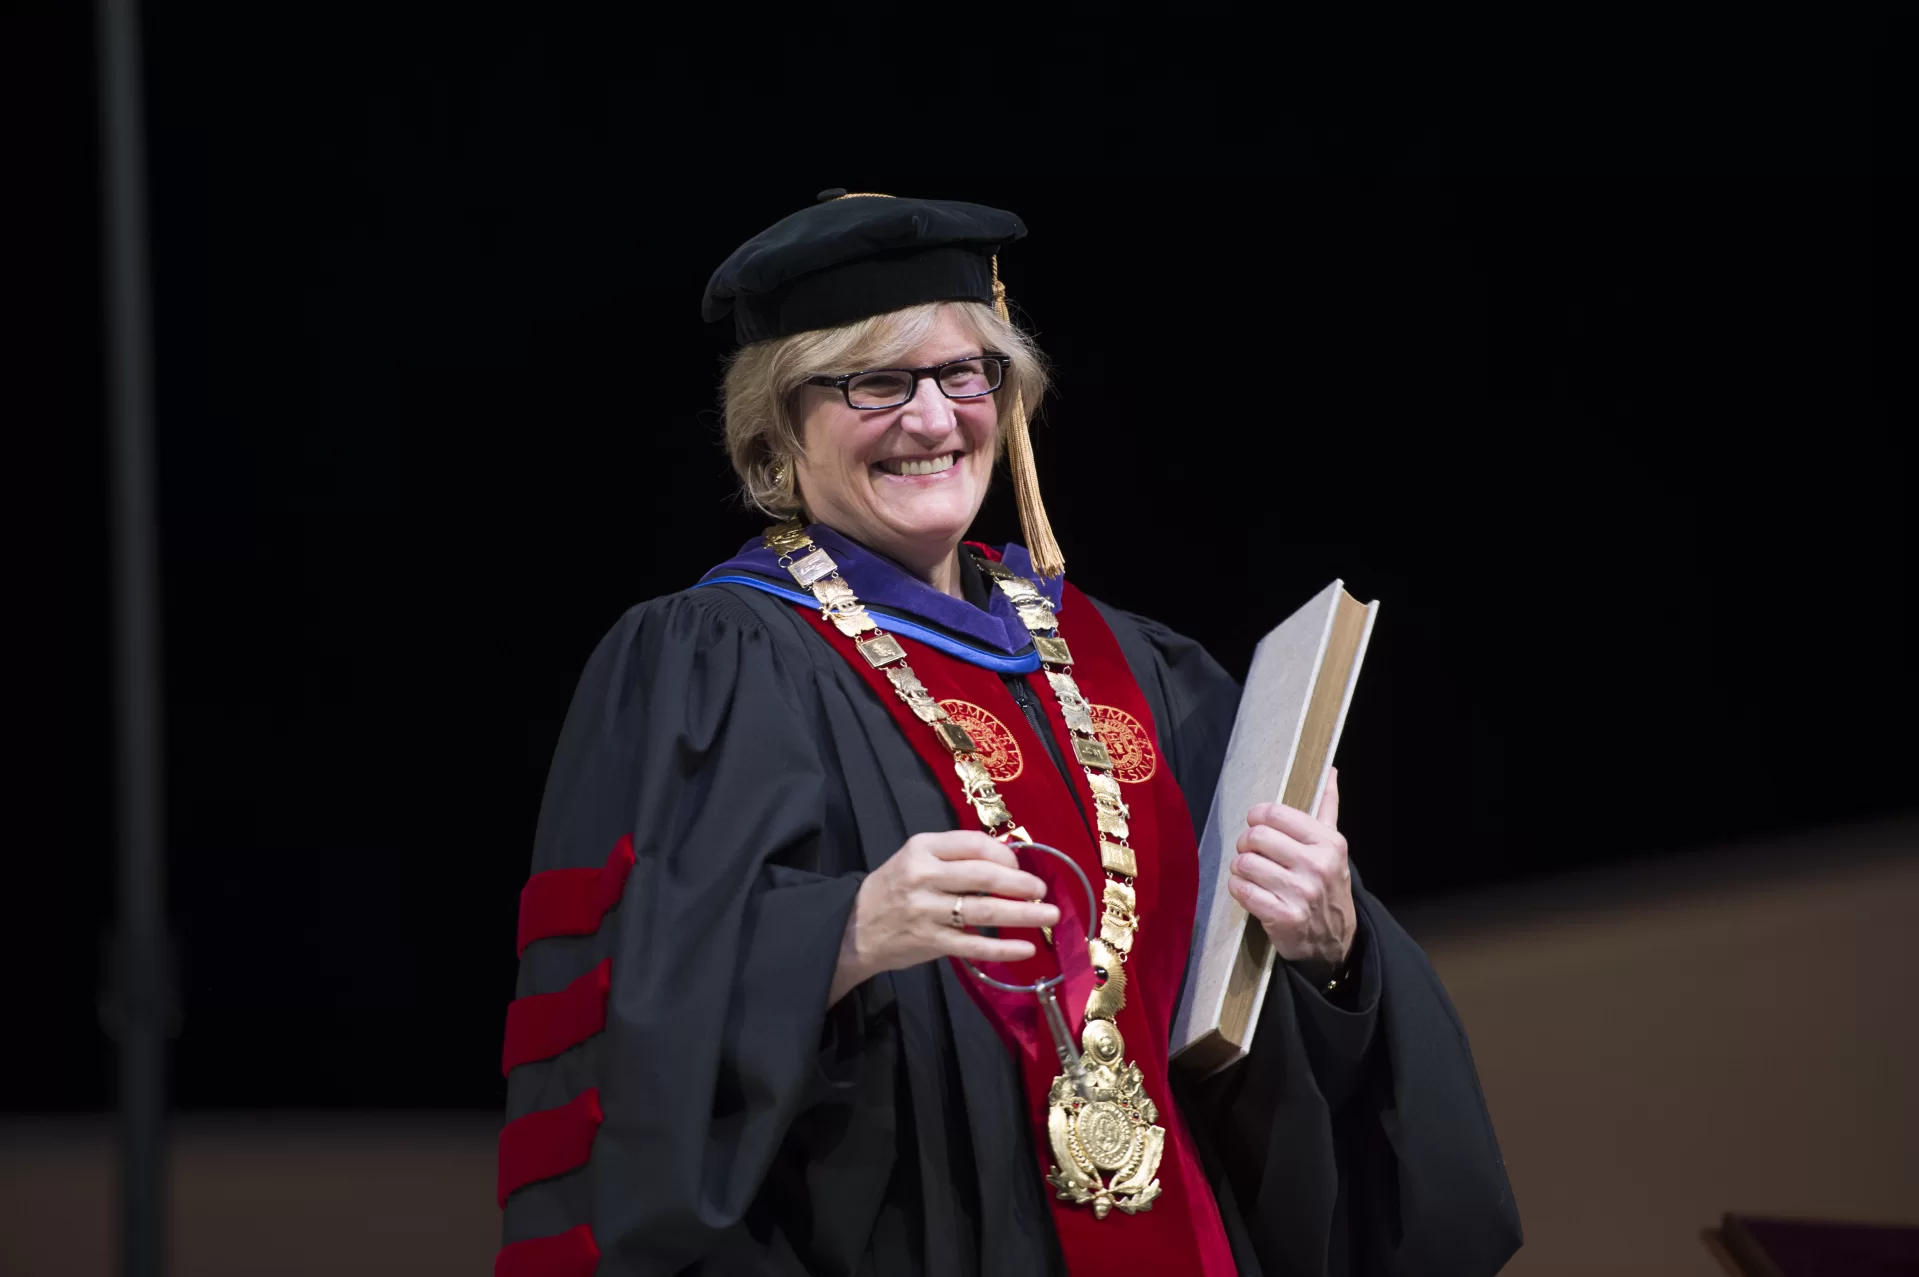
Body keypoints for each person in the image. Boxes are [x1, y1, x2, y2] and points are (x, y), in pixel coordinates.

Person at [495, 191, 1521, 1277]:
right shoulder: (709, 665)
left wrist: (1332, 944)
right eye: (874, 382)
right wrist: (837, 936)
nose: (931, 420)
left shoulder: (1140, 671)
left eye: (961, 374)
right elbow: (623, 1022)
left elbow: (1260, 1054)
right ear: (775, 424)